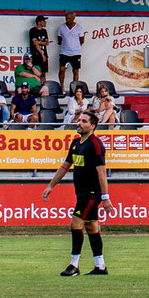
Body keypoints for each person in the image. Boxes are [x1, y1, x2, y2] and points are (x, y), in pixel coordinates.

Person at [41, 111, 110, 275]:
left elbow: (101, 172)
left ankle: (74, 265)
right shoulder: (76, 143)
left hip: (92, 193)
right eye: (79, 120)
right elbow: (65, 165)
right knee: (92, 227)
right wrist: (51, 185)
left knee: (75, 224)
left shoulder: (95, 145)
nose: (79, 123)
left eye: (84, 121)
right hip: (81, 192)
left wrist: (105, 197)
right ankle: (100, 266)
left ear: (92, 126)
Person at [55, 13, 85, 86]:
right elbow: (59, 39)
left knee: (75, 71)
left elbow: (82, 40)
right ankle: (61, 86)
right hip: (64, 52)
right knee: (62, 69)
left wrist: (74, 46)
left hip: (76, 53)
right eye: (66, 18)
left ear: (73, 18)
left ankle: (75, 87)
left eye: (69, 18)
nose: (67, 20)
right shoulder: (61, 27)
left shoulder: (79, 28)